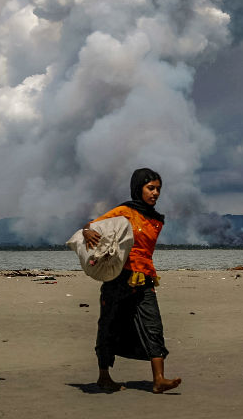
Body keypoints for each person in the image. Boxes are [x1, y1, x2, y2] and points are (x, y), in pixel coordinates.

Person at [82, 168, 181, 394]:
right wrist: (87, 231)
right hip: (119, 278)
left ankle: (159, 379)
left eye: (158, 189)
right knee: (109, 325)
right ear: (138, 188)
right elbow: (93, 225)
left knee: (153, 325)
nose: (155, 193)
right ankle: (104, 377)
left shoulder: (156, 219)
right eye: (150, 188)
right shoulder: (125, 211)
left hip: (145, 277)